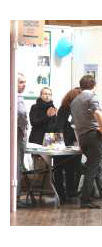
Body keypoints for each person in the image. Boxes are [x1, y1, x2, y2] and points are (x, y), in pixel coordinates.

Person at [70, 75, 102, 209]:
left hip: (82, 137)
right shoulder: (92, 96)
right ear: (93, 85)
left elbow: (73, 125)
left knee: (98, 168)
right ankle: (85, 200)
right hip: (92, 135)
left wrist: (80, 140)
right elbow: (97, 113)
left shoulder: (74, 101)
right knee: (92, 170)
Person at [53, 87, 83, 203]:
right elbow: (59, 127)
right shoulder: (64, 109)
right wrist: (61, 144)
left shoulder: (78, 110)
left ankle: (71, 192)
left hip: (73, 144)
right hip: (62, 144)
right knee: (59, 169)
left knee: (73, 169)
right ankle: (61, 193)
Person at [17, 73, 29, 208]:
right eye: (21, 82)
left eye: (25, 82)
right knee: (17, 166)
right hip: (17, 136)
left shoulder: (19, 97)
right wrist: (25, 127)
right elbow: (21, 114)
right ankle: (15, 198)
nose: (24, 85)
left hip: (19, 135)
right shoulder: (16, 97)